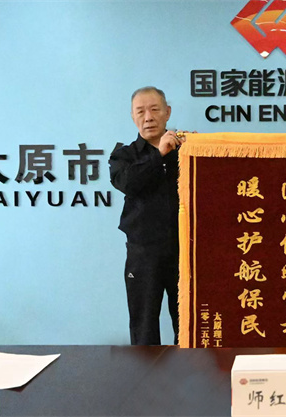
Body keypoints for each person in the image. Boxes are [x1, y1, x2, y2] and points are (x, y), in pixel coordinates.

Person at [109, 86, 185, 345]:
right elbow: (129, 184)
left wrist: (194, 149)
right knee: (144, 327)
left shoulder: (185, 150)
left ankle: (191, 371)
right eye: (140, 111)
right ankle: (146, 373)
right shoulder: (124, 155)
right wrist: (159, 154)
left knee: (188, 324)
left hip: (184, 251)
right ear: (133, 117)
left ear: (167, 112)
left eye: (154, 109)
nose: (148, 117)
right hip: (143, 253)